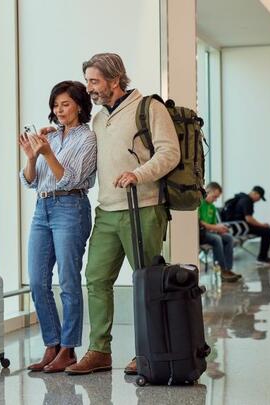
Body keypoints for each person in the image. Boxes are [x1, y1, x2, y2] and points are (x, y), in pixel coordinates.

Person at [65, 53, 180, 376]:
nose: (89, 88)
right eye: (88, 81)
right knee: (97, 279)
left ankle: (148, 351)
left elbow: (170, 152)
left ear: (115, 80)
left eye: (95, 81)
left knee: (146, 282)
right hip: (107, 211)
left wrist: (138, 174)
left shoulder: (149, 108)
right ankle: (99, 351)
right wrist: (59, 133)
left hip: (143, 208)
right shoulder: (100, 118)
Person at [18, 80, 97, 373]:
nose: (59, 110)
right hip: (43, 207)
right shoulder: (50, 136)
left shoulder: (86, 139)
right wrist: (32, 157)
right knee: (37, 281)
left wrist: (48, 153)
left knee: (67, 280)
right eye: (55, 105)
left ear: (78, 104)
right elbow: (30, 180)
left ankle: (68, 348)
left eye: (65, 104)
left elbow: (69, 178)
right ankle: (51, 344)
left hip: (70, 207)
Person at [221, 186, 270, 266]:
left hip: (235, 226)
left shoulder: (241, 198)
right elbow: (249, 219)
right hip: (241, 226)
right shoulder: (247, 201)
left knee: (266, 230)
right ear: (255, 194)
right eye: (259, 197)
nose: (259, 200)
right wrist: (262, 225)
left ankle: (263, 257)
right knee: (267, 231)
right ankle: (262, 258)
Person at [198, 182, 241, 282]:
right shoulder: (199, 204)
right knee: (217, 239)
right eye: (214, 197)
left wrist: (221, 228)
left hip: (210, 232)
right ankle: (221, 270)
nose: (215, 200)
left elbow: (214, 224)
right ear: (207, 192)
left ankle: (227, 269)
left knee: (228, 237)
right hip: (200, 233)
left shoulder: (212, 208)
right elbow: (201, 223)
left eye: (217, 197)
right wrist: (217, 229)